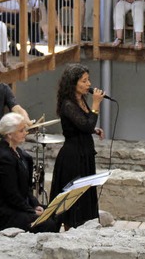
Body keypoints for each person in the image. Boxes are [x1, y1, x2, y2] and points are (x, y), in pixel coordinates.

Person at [50, 63, 105, 229]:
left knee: (86, 196)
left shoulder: (80, 99)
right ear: (73, 83)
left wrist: (94, 130)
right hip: (73, 157)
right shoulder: (68, 104)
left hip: (85, 153)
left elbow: (83, 125)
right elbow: (85, 125)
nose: (89, 84)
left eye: (88, 80)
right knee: (74, 201)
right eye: (84, 81)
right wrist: (96, 106)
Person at [0, 112, 58, 233]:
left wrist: (35, 205)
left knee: (55, 212)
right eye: (21, 130)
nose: (26, 133)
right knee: (47, 224)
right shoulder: (3, 157)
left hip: (17, 206)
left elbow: (26, 189)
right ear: (9, 134)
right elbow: (11, 195)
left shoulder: (19, 153)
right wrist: (31, 211)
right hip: (4, 213)